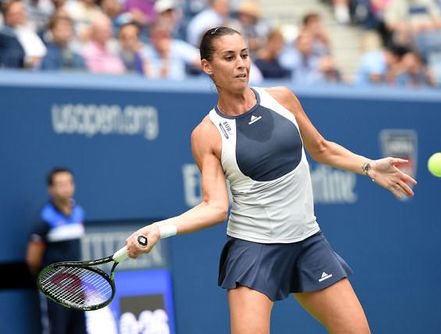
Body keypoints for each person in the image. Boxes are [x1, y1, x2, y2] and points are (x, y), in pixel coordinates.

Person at [124, 26, 417, 334]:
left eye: (244, 55)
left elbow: (321, 148)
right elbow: (214, 207)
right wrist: (159, 228)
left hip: (308, 243)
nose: (241, 64)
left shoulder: (283, 99)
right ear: (207, 66)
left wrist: (370, 166)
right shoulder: (207, 134)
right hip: (254, 252)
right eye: (229, 57)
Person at [25, 167, 86, 334]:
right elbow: (32, 259)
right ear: (51, 189)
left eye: (68, 183)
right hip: (54, 287)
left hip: (77, 286)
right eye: (60, 184)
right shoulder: (45, 219)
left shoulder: (78, 212)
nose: (65, 187)